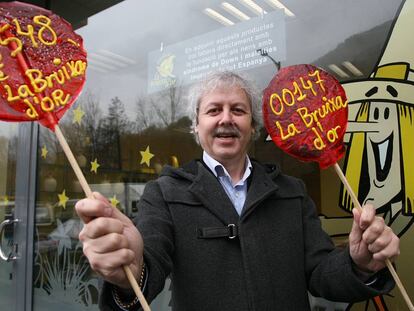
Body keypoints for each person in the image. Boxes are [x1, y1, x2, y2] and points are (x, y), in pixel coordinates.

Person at [75, 71, 400, 311]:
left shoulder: (292, 192)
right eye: (214, 110)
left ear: (253, 127)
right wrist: (132, 270)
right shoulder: (163, 193)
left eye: (238, 110)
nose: (225, 119)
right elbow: (151, 269)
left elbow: (321, 275)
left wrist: (359, 264)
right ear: (196, 126)